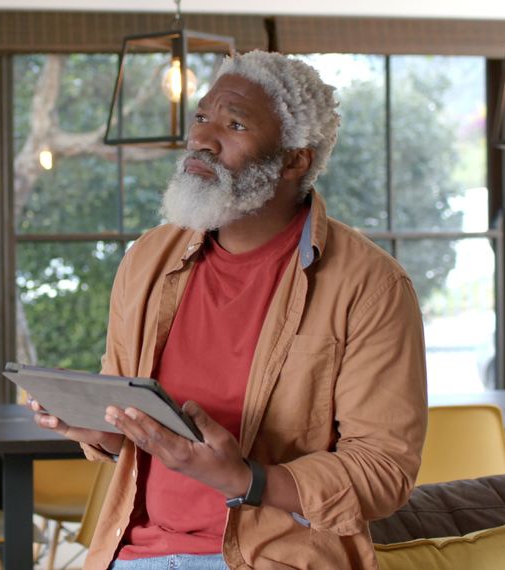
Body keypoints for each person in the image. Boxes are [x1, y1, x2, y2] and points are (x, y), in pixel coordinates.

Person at [31, 50, 427, 569]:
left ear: (294, 160)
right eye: (201, 117)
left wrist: (246, 479)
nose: (202, 138)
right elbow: (127, 419)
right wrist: (102, 430)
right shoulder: (146, 259)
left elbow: (383, 472)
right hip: (130, 555)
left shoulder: (370, 285)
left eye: (234, 123)